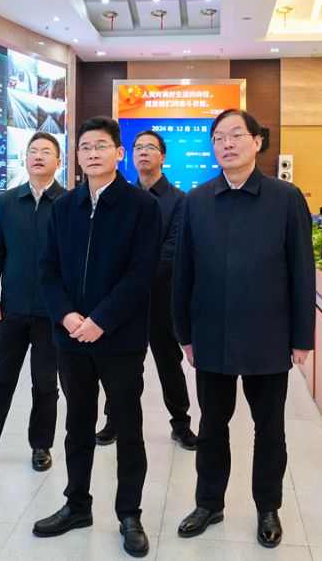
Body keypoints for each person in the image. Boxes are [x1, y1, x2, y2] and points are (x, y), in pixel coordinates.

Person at [172, 109, 315, 548]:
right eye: (219, 137)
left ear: (257, 142)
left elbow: (302, 269)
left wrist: (302, 338)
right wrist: (184, 333)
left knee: (269, 428)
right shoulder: (196, 200)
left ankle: (268, 507)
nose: (227, 144)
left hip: (268, 334)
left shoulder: (286, 197)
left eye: (237, 135)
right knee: (212, 425)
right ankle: (208, 503)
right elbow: (183, 271)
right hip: (211, 334)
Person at [35, 116, 162, 558]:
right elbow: (48, 269)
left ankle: (129, 513)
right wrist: (67, 316)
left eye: (101, 146)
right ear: (77, 156)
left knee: (127, 426)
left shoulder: (141, 206)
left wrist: (101, 320)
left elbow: (141, 273)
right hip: (71, 337)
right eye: (85, 147)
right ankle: (77, 505)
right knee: (77, 424)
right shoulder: (63, 207)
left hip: (120, 339)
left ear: (119, 153)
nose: (92, 154)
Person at [0, 132, 66, 473]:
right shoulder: (8, 201)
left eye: (46, 151)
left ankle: (41, 446)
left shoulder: (68, 202)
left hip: (52, 313)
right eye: (33, 151)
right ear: (25, 159)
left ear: (58, 162)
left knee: (45, 384)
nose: (38, 156)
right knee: (0, 381)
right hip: (11, 310)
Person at [94, 129, 196, 451]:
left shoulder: (179, 199)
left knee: (169, 362)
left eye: (150, 147)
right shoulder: (120, 195)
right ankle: (113, 421)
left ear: (162, 157)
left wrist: (137, 274)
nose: (143, 152)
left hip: (161, 296)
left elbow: (174, 246)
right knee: (121, 363)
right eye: (138, 147)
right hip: (125, 298)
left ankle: (181, 424)